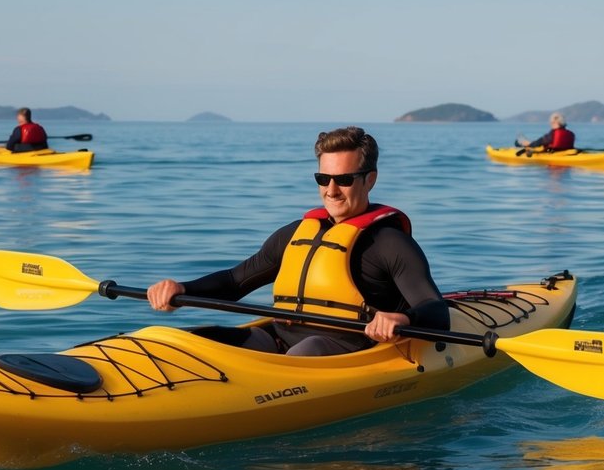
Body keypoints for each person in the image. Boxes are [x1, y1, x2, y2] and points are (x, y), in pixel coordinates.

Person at [147, 126, 450, 356]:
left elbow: (436, 311)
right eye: (323, 179)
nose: (331, 190)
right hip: (280, 340)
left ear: (369, 179)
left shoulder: (390, 244)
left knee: (309, 349)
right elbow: (234, 281)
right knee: (198, 339)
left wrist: (400, 317)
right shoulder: (294, 234)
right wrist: (182, 288)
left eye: (344, 180)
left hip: (343, 350)